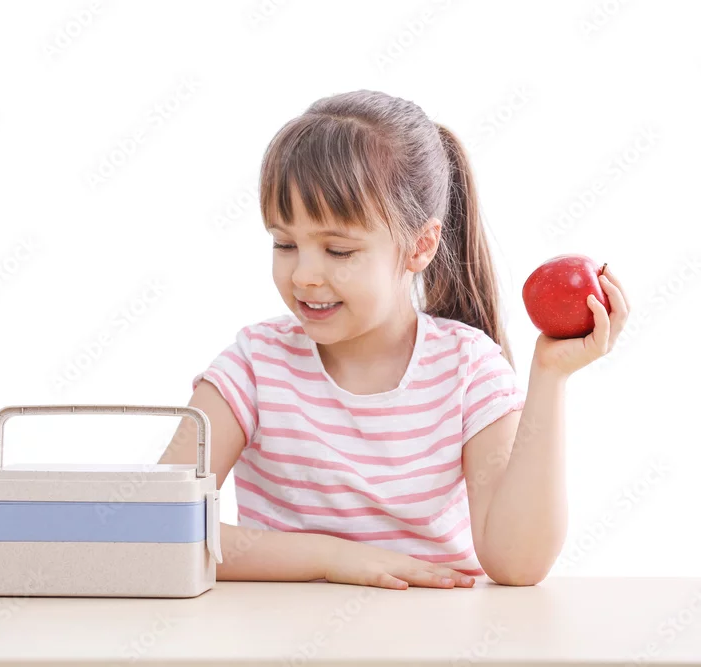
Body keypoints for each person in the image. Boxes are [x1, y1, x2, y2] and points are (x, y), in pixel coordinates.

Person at [158, 89, 630, 589]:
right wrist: (330, 557)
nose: (304, 276)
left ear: (420, 246)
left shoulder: (469, 369)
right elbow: (157, 524)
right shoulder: (255, 366)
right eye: (285, 243)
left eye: (339, 251)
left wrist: (550, 376)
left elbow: (518, 564)